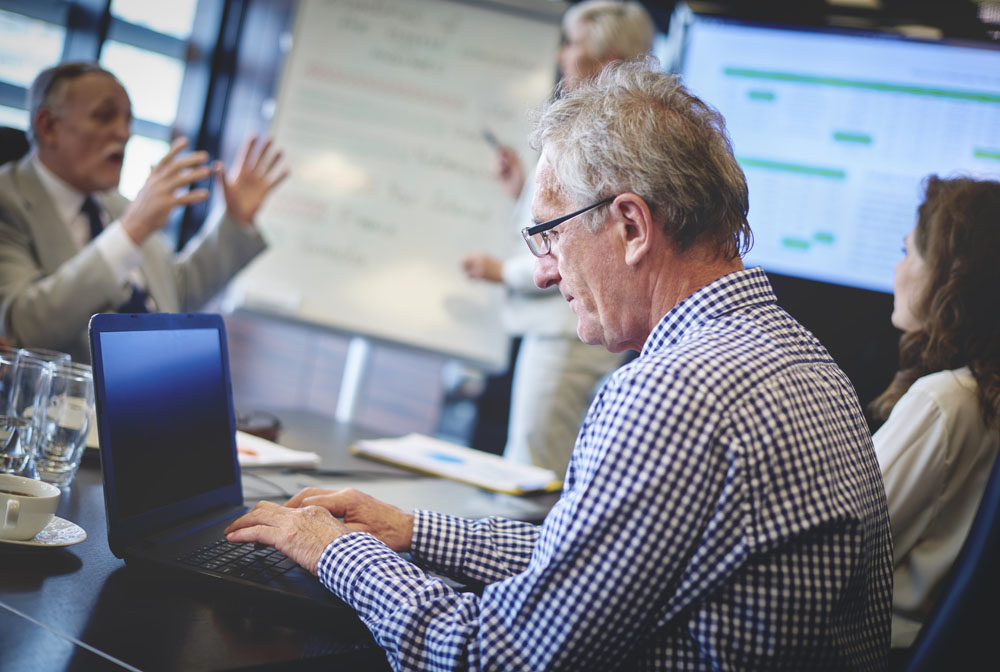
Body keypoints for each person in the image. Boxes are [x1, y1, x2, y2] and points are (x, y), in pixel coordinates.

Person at [227, 61, 893, 670]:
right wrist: (413, 531)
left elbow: (492, 658)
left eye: (551, 233)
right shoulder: (804, 360)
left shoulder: (674, 392)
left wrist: (336, 551)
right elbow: (597, 567)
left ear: (631, 226)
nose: (543, 272)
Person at [461, 0, 655, 476]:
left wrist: (500, 271)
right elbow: (562, 229)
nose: (562, 56)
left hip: (567, 335)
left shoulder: (610, 139)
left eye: (573, 45)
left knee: (533, 472)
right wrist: (519, 191)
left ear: (608, 60)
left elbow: (581, 244)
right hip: (555, 331)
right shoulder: (589, 128)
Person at [0, 61, 287, 362]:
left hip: (161, 393)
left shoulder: (117, 206)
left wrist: (235, 222)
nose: (124, 133)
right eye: (104, 116)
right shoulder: (8, 201)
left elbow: (175, 294)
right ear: (48, 126)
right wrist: (130, 231)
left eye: (128, 121)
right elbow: (21, 327)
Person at [870, 176, 1000, 653]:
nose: (899, 269)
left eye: (909, 253)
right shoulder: (982, 395)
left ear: (948, 277)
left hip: (872, 645)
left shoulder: (944, 401)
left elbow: (838, 534)